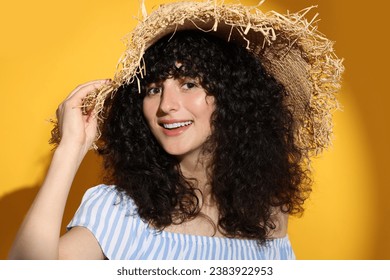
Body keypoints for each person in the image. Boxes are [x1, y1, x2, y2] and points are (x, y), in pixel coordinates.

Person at [9, 1, 343, 260]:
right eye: (153, 88)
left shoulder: (268, 213)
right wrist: (71, 148)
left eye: (188, 83)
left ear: (232, 98)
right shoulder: (118, 209)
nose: (167, 104)